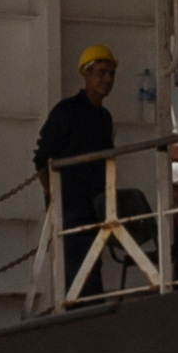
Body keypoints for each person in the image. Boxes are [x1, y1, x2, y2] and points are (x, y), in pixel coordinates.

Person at [37, 46, 127, 299]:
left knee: (91, 269)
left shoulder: (104, 118)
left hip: (95, 207)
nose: (107, 79)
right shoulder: (66, 112)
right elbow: (42, 158)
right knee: (78, 272)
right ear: (86, 75)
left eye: (111, 74)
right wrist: (51, 196)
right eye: (101, 73)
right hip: (71, 206)